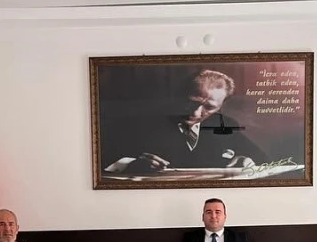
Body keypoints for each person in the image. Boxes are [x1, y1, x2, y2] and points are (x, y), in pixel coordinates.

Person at [101, 69, 268, 175]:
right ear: (178, 96)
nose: (195, 113)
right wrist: (130, 164)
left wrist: (248, 162)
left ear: (221, 106)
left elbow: (266, 161)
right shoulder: (139, 123)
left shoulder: (225, 124)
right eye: (191, 102)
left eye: (209, 107)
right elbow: (100, 163)